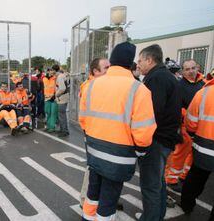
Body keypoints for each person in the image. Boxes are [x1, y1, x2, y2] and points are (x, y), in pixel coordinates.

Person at [80, 42, 156, 221]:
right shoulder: (139, 89)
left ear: (112, 61)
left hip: (93, 151)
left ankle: (87, 218)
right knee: (108, 200)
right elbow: (144, 132)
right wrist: (140, 152)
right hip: (119, 156)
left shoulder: (91, 85)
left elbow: (83, 120)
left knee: (93, 194)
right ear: (131, 63)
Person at [137, 44, 182, 220]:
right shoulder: (165, 76)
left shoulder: (156, 79)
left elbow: (151, 112)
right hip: (165, 139)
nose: (138, 64)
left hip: (156, 140)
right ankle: (157, 214)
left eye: (140, 60)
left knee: (150, 186)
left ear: (150, 59)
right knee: (158, 182)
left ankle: (150, 217)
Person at [180, 69, 214, 221]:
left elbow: (190, 122)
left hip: (203, 147)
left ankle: (186, 205)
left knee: (195, 179)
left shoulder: (203, 93)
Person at [165, 59, 205, 193]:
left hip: (201, 127)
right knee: (179, 154)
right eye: (187, 69)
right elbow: (175, 106)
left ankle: (183, 175)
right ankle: (171, 179)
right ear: (182, 71)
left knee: (193, 154)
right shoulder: (179, 86)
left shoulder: (204, 84)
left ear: (197, 67)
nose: (191, 71)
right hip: (184, 126)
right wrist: (189, 114)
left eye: (193, 68)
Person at [78, 57, 110, 207]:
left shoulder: (100, 84)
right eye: (106, 68)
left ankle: (101, 198)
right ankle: (85, 199)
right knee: (94, 166)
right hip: (93, 134)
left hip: (102, 134)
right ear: (95, 71)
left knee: (101, 167)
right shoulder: (89, 86)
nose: (109, 71)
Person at [54, 65, 70, 137]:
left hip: (62, 98)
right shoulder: (62, 75)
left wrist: (56, 95)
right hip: (64, 97)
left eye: (51, 70)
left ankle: (64, 131)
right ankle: (63, 129)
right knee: (62, 115)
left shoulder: (60, 77)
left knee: (61, 115)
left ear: (54, 70)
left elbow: (62, 88)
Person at [43, 68, 57, 133]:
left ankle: (52, 127)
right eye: (50, 71)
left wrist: (54, 95)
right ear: (47, 71)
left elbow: (57, 88)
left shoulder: (55, 78)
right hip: (46, 98)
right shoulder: (44, 79)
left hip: (53, 98)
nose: (51, 72)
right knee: (47, 112)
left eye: (52, 71)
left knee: (53, 113)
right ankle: (48, 126)